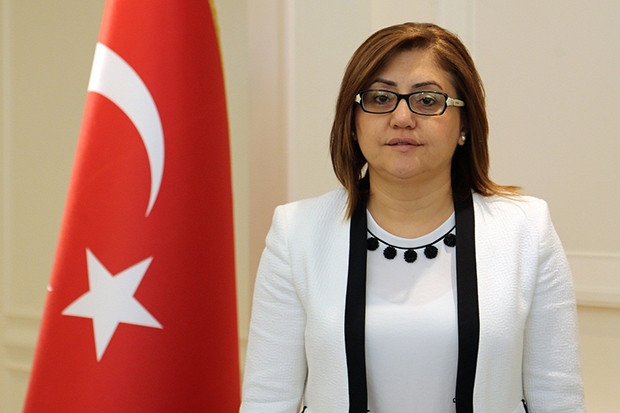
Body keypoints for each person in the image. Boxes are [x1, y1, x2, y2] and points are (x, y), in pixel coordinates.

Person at [239, 22, 585, 413]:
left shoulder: (526, 229)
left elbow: (558, 399)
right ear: (352, 122)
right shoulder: (296, 234)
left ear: (464, 123)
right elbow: (268, 400)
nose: (402, 117)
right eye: (380, 98)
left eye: (427, 100)